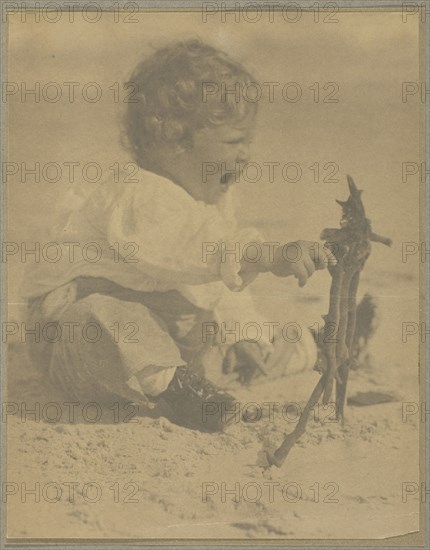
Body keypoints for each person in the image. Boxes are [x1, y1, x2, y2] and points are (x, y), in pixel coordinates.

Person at [23, 39, 332, 431]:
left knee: (229, 343)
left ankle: (307, 348)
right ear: (175, 139)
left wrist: (244, 330)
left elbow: (221, 284)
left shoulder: (211, 205)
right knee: (105, 319)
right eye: (236, 141)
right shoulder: (134, 193)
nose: (246, 155)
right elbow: (190, 245)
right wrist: (265, 254)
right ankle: (175, 386)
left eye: (248, 142)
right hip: (76, 344)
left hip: (167, 336)